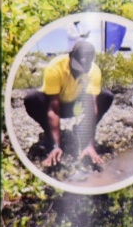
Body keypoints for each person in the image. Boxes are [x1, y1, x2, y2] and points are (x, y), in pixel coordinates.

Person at [23, 39, 114, 167]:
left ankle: (80, 131)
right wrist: (56, 146)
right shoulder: (56, 67)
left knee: (106, 96)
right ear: (70, 56)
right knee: (31, 99)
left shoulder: (94, 71)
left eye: (83, 71)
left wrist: (89, 144)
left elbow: (91, 108)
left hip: (77, 104)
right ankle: (51, 134)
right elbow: (54, 108)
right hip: (55, 104)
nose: (79, 74)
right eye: (76, 69)